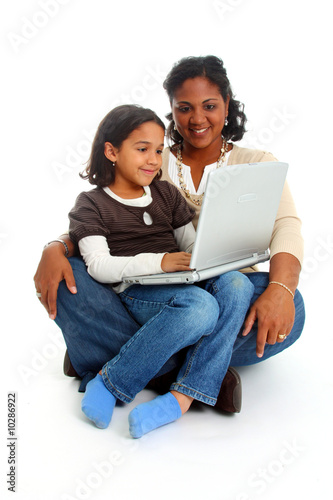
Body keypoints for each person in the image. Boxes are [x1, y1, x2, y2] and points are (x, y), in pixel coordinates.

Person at [34, 55, 305, 415]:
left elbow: (286, 226)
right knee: (72, 274)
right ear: (172, 111)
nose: (197, 118)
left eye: (210, 106)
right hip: (146, 284)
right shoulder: (151, 157)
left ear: (227, 105)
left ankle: (107, 353)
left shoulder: (257, 162)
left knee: (293, 308)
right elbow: (104, 219)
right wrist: (56, 246)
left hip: (220, 287)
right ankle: (200, 377)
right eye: (184, 108)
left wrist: (279, 291)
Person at [66, 104, 254, 437]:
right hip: (136, 290)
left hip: (182, 283)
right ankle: (111, 383)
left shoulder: (165, 193)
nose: (154, 159)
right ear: (111, 151)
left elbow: (192, 246)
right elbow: (98, 266)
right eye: (142, 150)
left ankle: (180, 398)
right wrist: (161, 262)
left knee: (239, 284)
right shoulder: (92, 204)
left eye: (157, 149)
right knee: (201, 307)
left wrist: (217, 250)